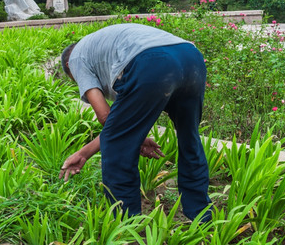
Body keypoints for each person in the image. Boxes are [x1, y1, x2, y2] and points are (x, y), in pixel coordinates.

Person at [59, 23, 212, 221]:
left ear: (70, 68)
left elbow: (107, 119)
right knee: (189, 139)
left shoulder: (77, 58)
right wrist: (135, 136)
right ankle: (201, 216)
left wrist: (129, 137)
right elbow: (123, 124)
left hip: (151, 62)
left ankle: (125, 225)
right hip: (191, 58)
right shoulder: (102, 46)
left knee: (117, 151)